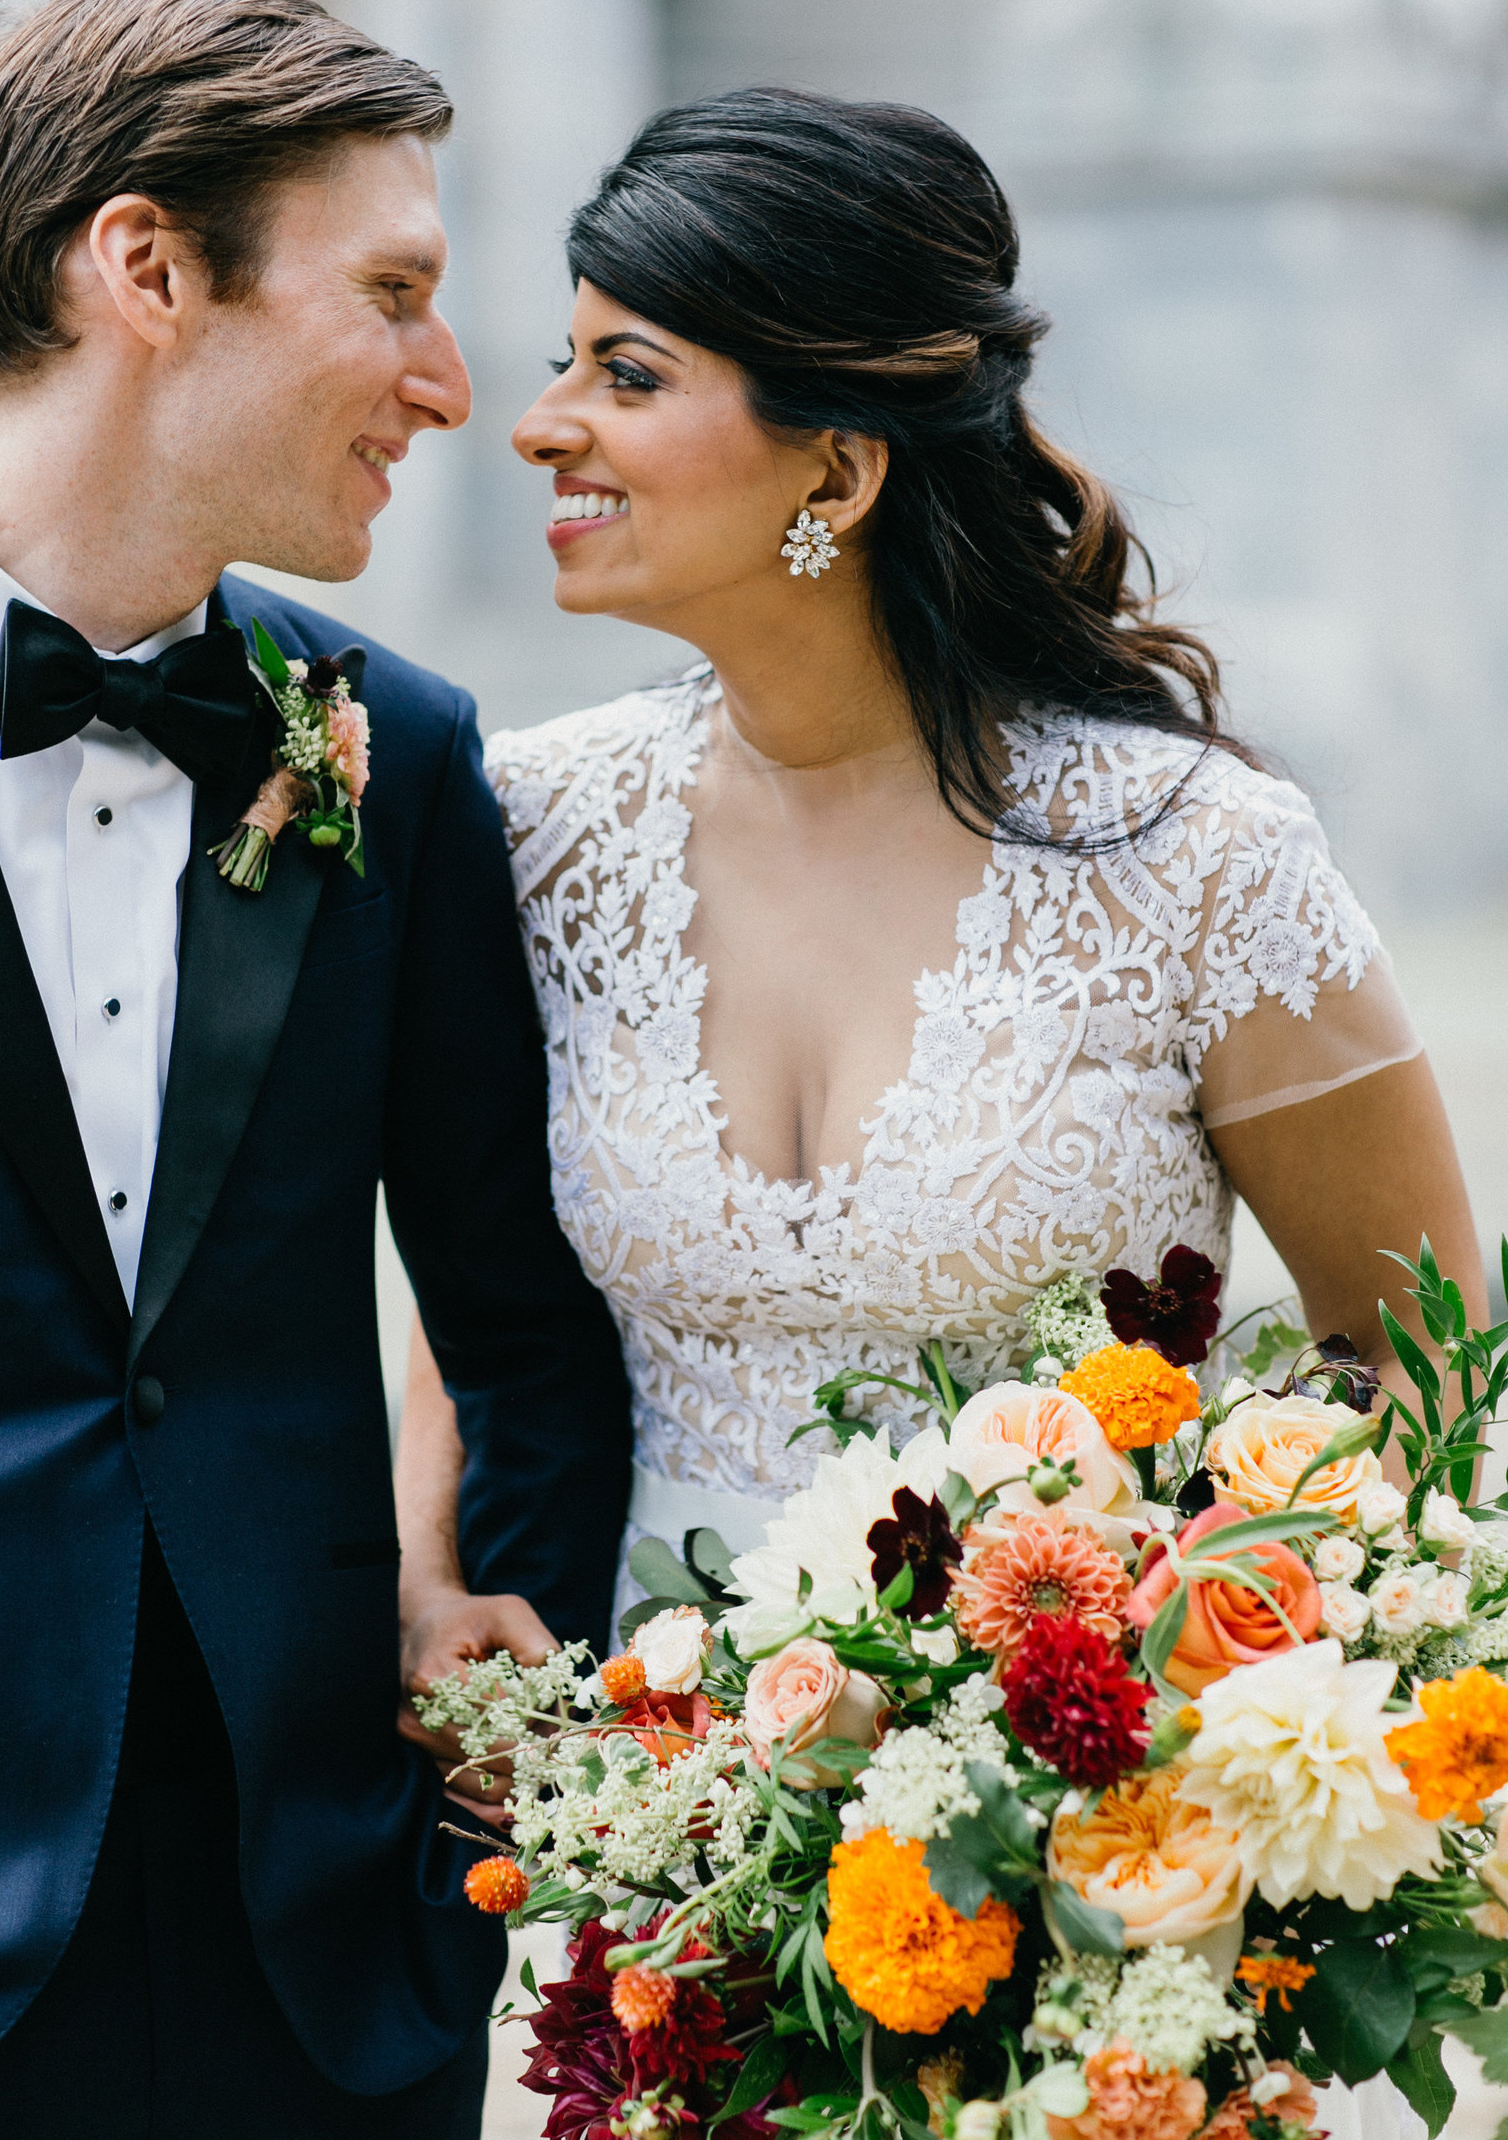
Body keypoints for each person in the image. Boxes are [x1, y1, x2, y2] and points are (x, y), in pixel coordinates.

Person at [403, 85, 1482, 1603]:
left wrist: (1206, 1665)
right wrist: (422, 1576)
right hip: (612, 1759)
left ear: (835, 473)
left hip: (1060, 1772)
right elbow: (477, 1298)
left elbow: (1406, 1347)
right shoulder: (531, 825)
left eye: (626, 376)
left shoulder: (1201, 860)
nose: (537, 427)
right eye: (562, 364)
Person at [0, 0, 630, 2135]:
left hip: (322, 1974)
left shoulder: (395, 755)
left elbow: (522, 1323)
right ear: (145, 267)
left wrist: (470, 1757)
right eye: (394, 290)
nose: (450, 381)